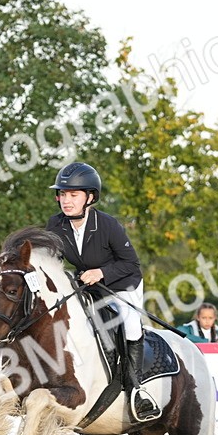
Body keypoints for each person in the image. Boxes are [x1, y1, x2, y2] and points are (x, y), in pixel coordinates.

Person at [45, 161, 159, 421]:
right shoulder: (56, 224)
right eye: (63, 194)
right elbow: (51, 259)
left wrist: (101, 272)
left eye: (73, 195)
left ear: (90, 197)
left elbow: (131, 264)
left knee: (130, 324)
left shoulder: (107, 225)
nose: (66, 200)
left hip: (122, 282)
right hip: (88, 283)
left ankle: (136, 389)